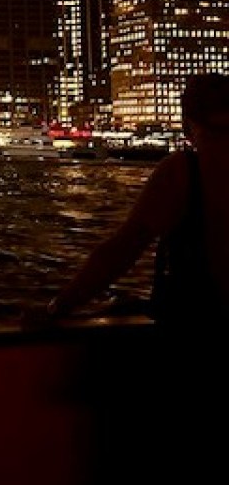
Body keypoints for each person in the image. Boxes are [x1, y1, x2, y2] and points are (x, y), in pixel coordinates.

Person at [25, 71, 229, 478]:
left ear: (189, 121)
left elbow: (122, 250)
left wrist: (59, 304)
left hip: (202, 353)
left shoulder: (185, 171)